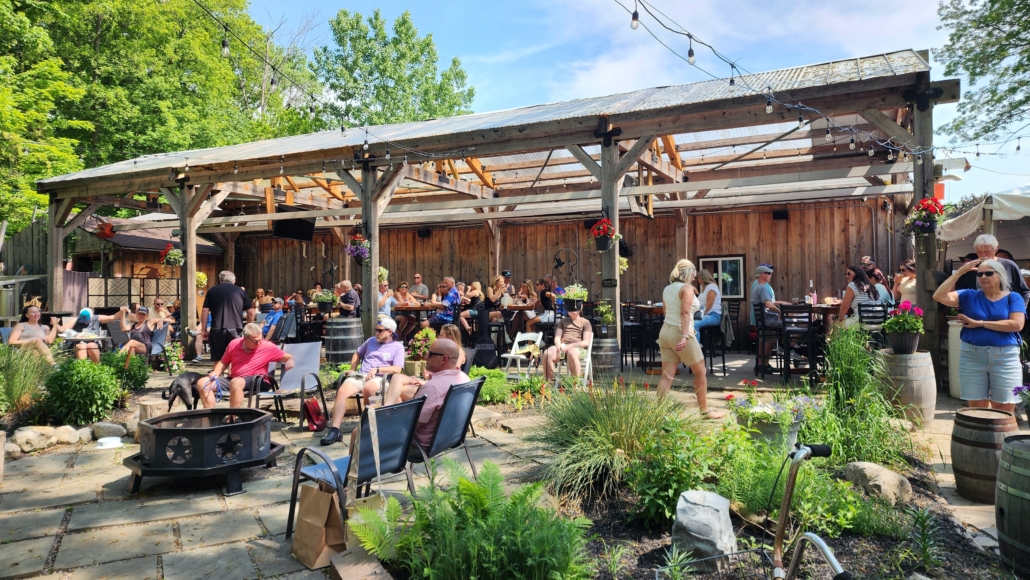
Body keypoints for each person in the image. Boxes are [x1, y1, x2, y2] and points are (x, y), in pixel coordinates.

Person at [933, 259, 1026, 412]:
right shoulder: (969, 295)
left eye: (988, 273)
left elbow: (1016, 324)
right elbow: (939, 296)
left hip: (1005, 356)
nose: (983, 277)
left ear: (1001, 275)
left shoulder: (1013, 297)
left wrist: (980, 323)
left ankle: (1002, 436)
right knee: (977, 408)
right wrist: (959, 272)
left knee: (1004, 406)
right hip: (972, 355)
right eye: (979, 274)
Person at [320, 318, 407, 445]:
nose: (376, 333)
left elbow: (397, 369)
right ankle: (335, 430)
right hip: (361, 375)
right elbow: (357, 354)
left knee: (369, 388)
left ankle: (366, 426)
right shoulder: (370, 341)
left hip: (380, 378)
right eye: (376, 330)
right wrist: (352, 369)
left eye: (380, 331)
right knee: (342, 391)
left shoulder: (397, 347)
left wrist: (378, 369)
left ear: (390, 332)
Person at [656, 259, 723, 419]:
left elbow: (665, 311)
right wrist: (685, 335)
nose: (694, 278)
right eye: (693, 275)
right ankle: (705, 411)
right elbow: (685, 313)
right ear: (687, 274)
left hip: (665, 332)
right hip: (681, 332)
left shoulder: (668, 288)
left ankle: (657, 413)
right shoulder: (686, 288)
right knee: (701, 372)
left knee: (667, 376)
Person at [381, 338, 469, 450]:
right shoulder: (464, 378)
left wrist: (388, 418)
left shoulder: (432, 388)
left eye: (430, 354)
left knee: (358, 432)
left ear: (443, 359)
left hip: (419, 444)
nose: (425, 357)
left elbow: (412, 426)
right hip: (449, 439)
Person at [202, 322, 294, 408]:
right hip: (234, 379)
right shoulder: (234, 344)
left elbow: (286, 356)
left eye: (260, 339)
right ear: (245, 338)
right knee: (203, 383)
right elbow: (224, 362)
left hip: (258, 381)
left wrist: (289, 360)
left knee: (236, 382)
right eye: (255, 341)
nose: (258, 343)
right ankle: (211, 416)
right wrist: (216, 372)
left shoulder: (267, 346)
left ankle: (232, 417)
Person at [201, 270, 254, 362]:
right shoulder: (241, 291)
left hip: (217, 328)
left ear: (220, 280)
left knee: (217, 358)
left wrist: (204, 330)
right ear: (234, 281)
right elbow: (250, 311)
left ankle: (218, 375)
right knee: (235, 357)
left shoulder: (212, 291)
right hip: (235, 328)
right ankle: (232, 376)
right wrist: (249, 327)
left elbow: (205, 310)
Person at [971, 234, 1030, 307]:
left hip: (1009, 314)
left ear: (996, 249)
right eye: (979, 252)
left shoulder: (1008, 265)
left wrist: (1020, 310)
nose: (983, 255)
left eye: (987, 251)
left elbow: (1024, 291)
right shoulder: (972, 267)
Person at [543, 304, 592, 382]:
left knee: (571, 352)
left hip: (578, 349)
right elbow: (557, 337)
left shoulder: (585, 322)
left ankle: (575, 385)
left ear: (580, 309)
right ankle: (547, 384)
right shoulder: (563, 321)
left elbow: (586, 342)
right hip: (563, 349)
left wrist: (571, 346)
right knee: (547, 353)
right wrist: (559, 345)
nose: (569, 309)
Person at [751, 265, 784, 375]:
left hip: (762, 321)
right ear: (763, 275)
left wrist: (782, 304)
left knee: (763, 340)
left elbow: (769, 303)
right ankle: (789, 348)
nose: (771, 275)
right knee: (791, 324)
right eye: (769, 273)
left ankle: (761, 364)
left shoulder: (757, 288)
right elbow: (769, 305)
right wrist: (780, 312)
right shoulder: (763, 288)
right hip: (769, 321)